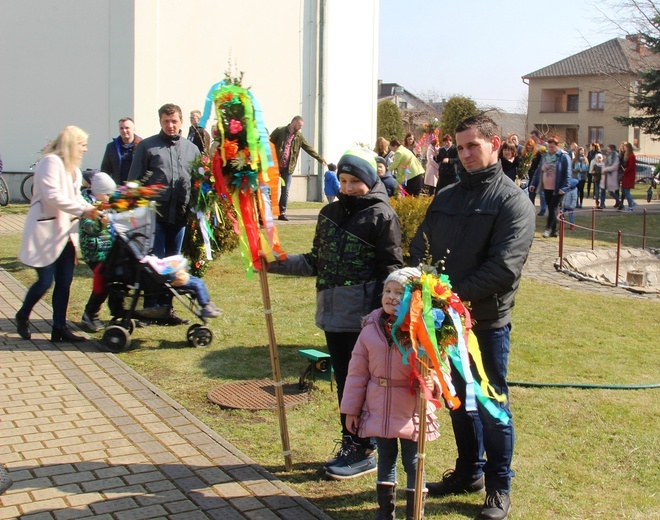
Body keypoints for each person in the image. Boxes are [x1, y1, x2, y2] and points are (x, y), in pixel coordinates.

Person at [410, 115, 535, 520]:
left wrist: (450, 297)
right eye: (459, 148)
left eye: (472, 147)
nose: (464, 155)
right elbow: (420, 246)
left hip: (485, 322)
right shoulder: (445, 196)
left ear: (494, 143)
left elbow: (503, 269)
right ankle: (469, 472)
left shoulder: (512, 202)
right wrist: (421, 285)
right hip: (443, 321)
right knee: (458, 400)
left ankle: (499, 487)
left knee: (492, 403)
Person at [266, 147, 403, 480]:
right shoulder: (328, 214)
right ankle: (350, 441)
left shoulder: (381, 216)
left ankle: (364, 447)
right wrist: (273, 263)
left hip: (364, 319)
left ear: (369, 181)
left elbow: (391, 269)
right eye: (342, 180)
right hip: (332, 314)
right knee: (346, 381)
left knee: (362, 382)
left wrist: (384, 317)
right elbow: (316, 261)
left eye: (354, 181)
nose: (347, 187)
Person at [340, 267, 441, 519]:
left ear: (413, 299)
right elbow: (356, 373)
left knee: (413, 461)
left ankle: (414, 512)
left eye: (399, 292)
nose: (391, 297)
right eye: (387, 290)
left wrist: (432, 382)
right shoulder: (369, 329)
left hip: (410, 408)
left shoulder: (422, 331)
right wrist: (351, 409)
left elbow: (441, 368)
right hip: (378, 407)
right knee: (385, 458)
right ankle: (385, 512)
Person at [16, 126, 100, 342]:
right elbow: (53, 196)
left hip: (64, 234)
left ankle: (59, 327)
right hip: (45, 233)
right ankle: (23, 314)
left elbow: (76, 197)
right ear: (71, 144)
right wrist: (84, 211)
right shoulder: (50, 162)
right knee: (45, 281)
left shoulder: (73, 169)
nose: (85, 149)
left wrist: (95, 209)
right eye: (82, 145)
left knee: (64, 281)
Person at [128, 103, 200, 324]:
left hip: (179, 217)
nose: (171, 125)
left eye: (174, 121)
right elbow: (134, 181)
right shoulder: (147, 147)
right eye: (166, 121)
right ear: (160, 121)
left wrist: (196, 211)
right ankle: (150, 310)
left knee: (172, 263)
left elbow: (198, 183)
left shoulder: (192, 149)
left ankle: (167, 310)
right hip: (154, 217)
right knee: (155, 263)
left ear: (181, 122)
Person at [79, 172, 117, 332]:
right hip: (93, 251)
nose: (109, 197)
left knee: (114, 279)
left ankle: (117, 313)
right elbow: (88, 228)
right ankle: (90, 314)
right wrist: (102, 223)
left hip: (107, 249)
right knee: (103, 281)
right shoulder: (86, 203)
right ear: (98, 191)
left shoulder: (105, 202)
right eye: (107, 193)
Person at [270, 116, 326, 220]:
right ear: (294, 122)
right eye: (299, 125)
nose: (300, 127)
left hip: (288, 168)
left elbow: (308, 148)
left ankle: (282, 213)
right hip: (275, 166)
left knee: (285, 190)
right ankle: (266, 213)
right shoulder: (279, 131)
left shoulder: (299, 136)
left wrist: (320, 159)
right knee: (271, 189)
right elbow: (268, 143)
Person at [530, 135, 571, 238]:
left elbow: (568, 174)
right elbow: (538, 171)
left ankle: (548, 229)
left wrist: (564, 188)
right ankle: (555, 230)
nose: (551, 149)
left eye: (553, 147)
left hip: (558, 188)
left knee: (553, 207)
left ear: (557, 146)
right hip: (547, 187)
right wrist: (533, 184)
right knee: (552, 207)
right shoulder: (545, 156)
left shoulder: (564, 156)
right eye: (549, 147)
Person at [101, 117, 142, 185]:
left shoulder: (142, 146)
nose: (124, 130)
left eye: (127, 128)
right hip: (118, 188)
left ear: (133, 129)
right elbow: (105, 170)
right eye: (121, 128)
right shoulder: (111, 147)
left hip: (137, 189)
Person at [599, 144, 621, 210]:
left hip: (611, 176)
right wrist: (603, 169)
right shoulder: (608, 156)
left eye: (609, 149)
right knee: (603, 191)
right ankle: (602, 205)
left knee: (611, 192)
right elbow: (604, 164)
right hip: (605, 176)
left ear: (612, 149)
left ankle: (620, 203)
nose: (607, 150)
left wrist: (605, 169)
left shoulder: (616, 157)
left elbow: (614, 167)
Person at [620, 142, 636, 211]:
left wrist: (625, 171)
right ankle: (632, 203)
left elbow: (631, 166)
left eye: (625, 147)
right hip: (626, 175)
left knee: (626, 191)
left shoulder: (631, 156)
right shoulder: (627, 155)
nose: (624, 149)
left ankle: (630, 207)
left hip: (629, 175)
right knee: (624, 190)